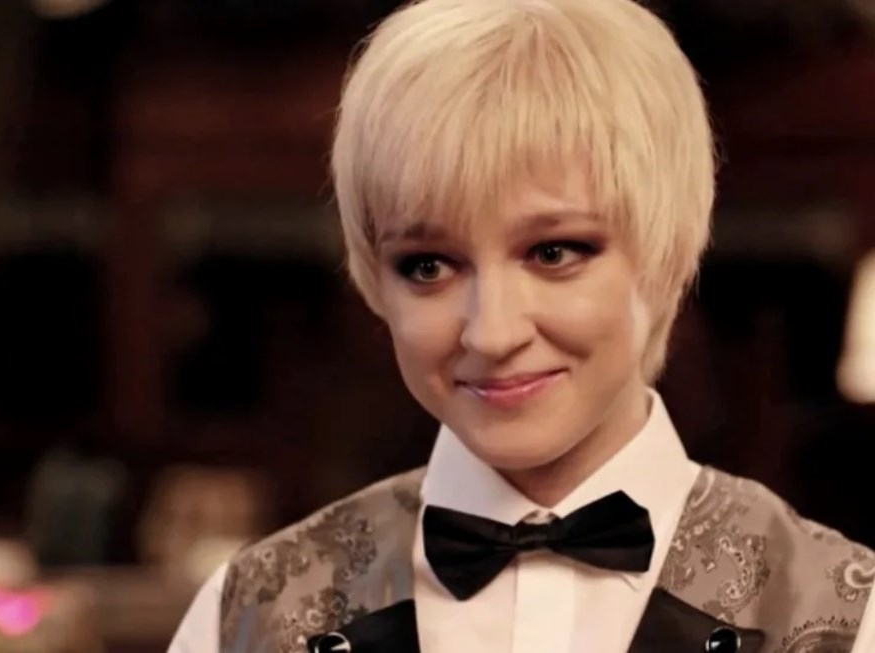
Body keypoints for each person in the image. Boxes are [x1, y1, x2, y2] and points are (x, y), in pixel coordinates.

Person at [168, 0, 875, 651]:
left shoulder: (851, 615)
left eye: (553, 252)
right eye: (428, 265)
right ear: (374, 282)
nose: (492, 333)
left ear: (664, 256)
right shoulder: (245, 618)